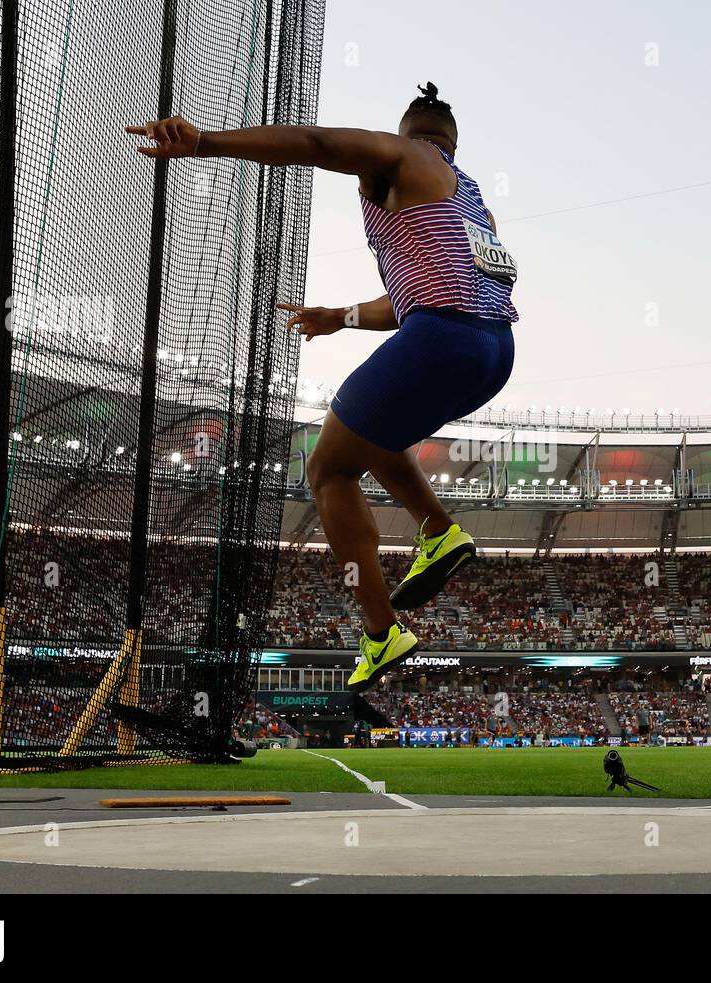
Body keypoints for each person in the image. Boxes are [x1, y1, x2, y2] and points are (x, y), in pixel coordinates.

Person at [128, 83, 518, 692]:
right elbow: (420, 293)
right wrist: (341, 317)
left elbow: (313, 143)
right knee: (374, 436)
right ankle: (439, 532)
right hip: (495, 352)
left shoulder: (400, 155)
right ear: (454, 144)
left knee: (329, 470)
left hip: (444, 339)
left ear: (408, 133)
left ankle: (381, 629)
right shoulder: (473, 203)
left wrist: (205, 142)